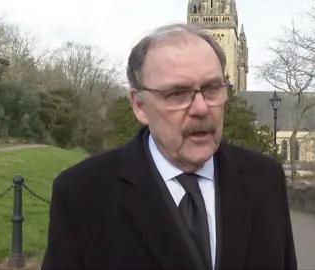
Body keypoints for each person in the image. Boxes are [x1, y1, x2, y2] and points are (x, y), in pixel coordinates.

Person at [41, 23, 297, 270]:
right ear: (139, 105)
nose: (201, 109)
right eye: (177, 93)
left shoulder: (266, 179)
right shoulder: (81, 193)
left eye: (211, 89)